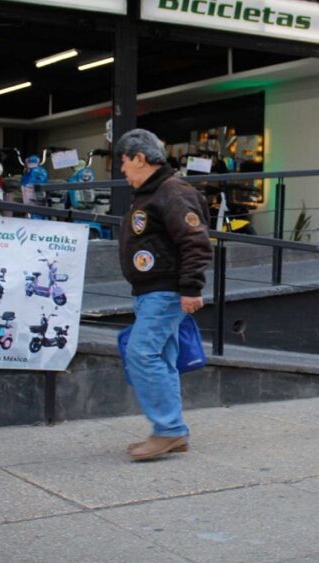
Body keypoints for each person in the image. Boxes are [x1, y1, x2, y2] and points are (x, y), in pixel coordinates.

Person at [115, 128, 213, 461]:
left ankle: (168, 430)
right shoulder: (151, 194)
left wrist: (191, 288)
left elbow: (195, 241)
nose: (122, 170)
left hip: (165, 292)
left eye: (125, 162)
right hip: (152, 291)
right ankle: (173, 432)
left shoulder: (172, 192)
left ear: (140, 158)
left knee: (142, 354)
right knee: (163, 358)